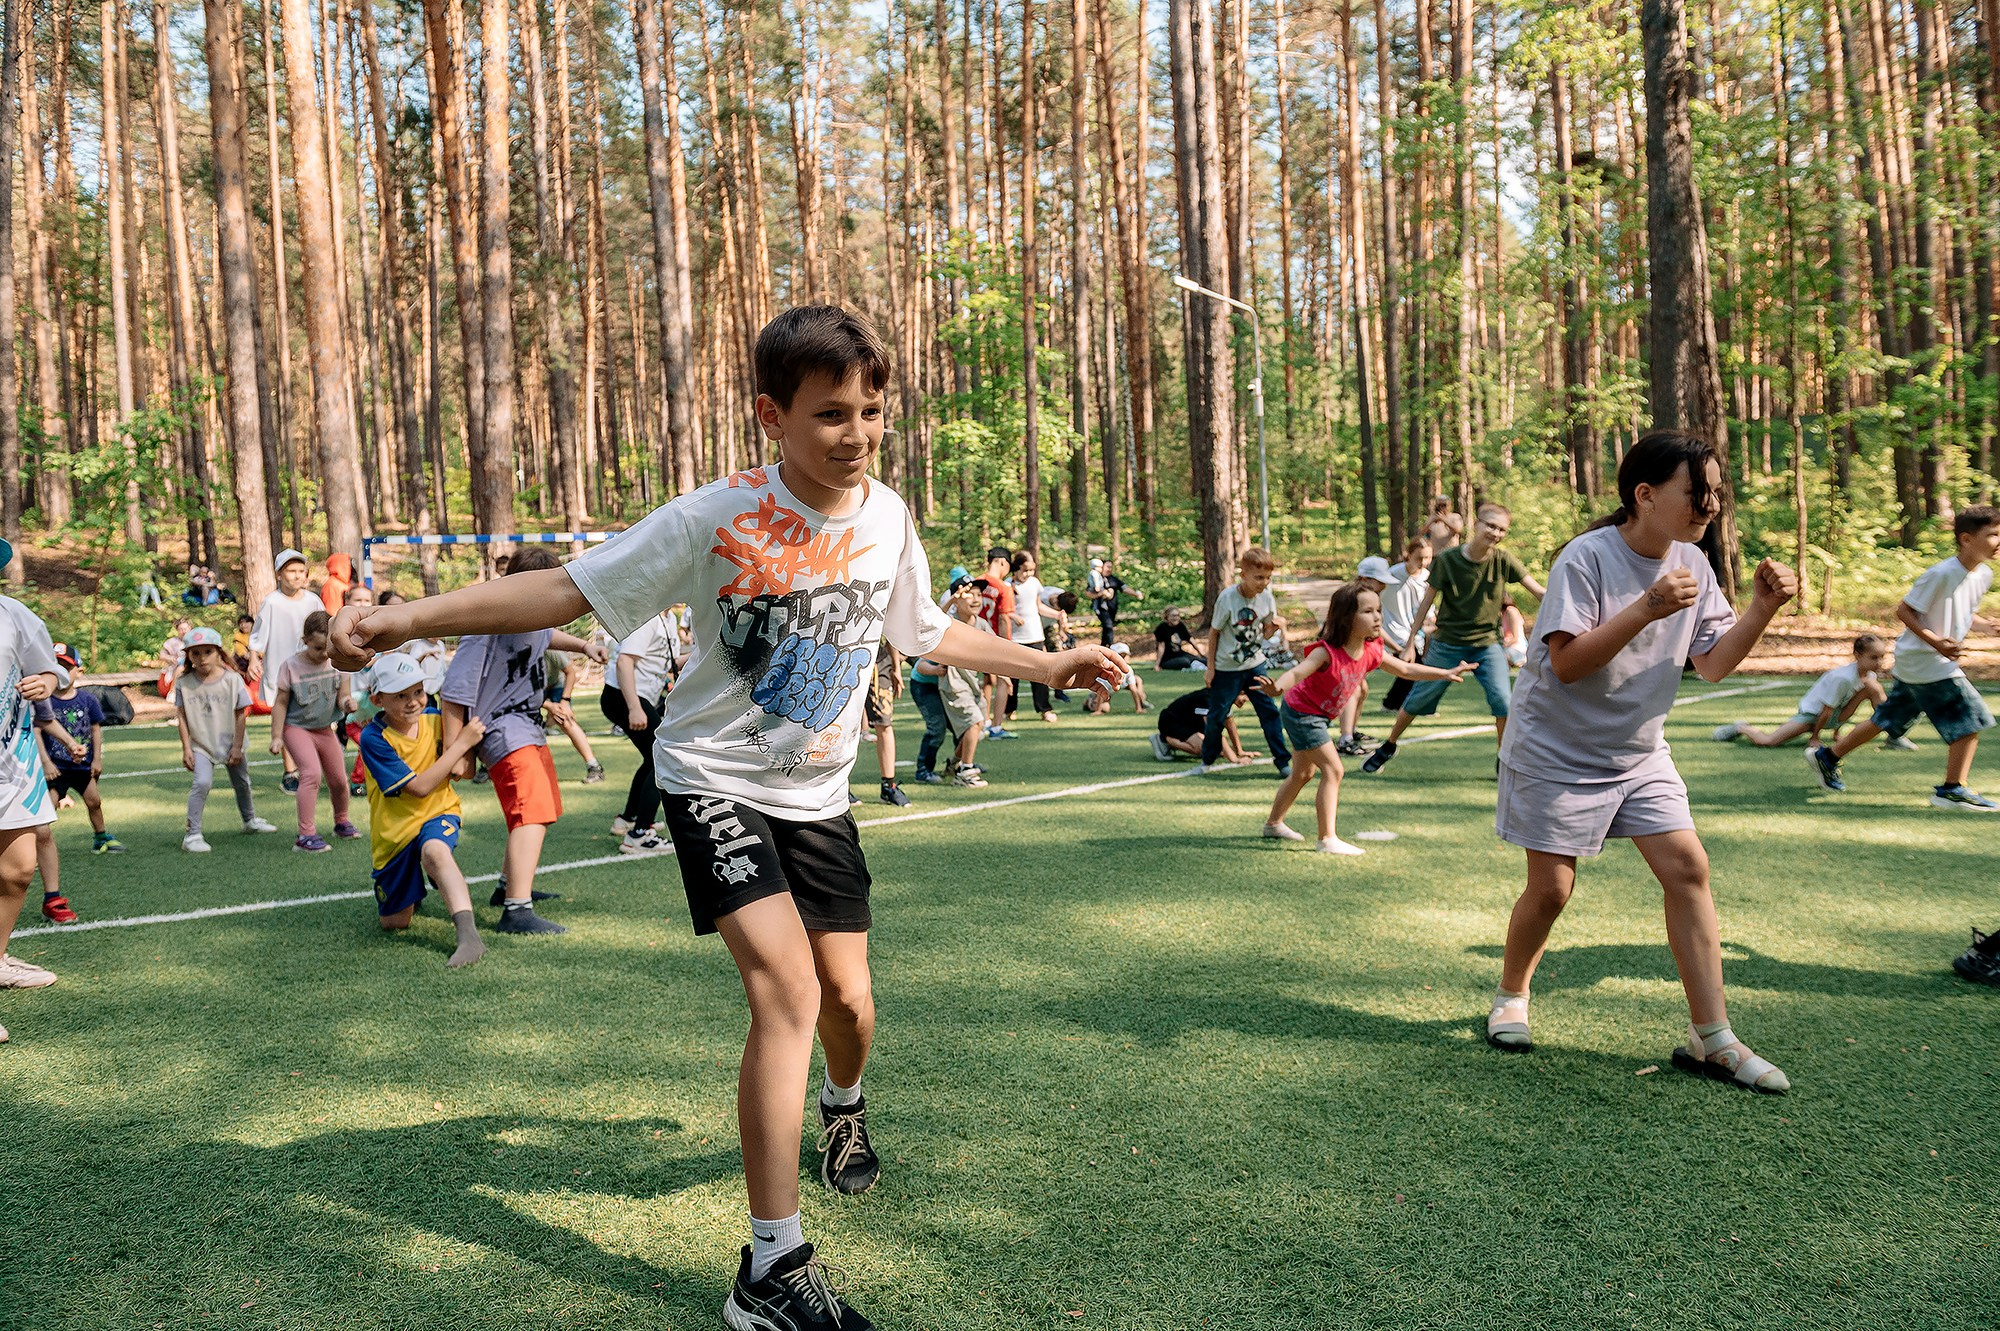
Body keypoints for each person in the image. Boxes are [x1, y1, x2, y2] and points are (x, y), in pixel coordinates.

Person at [329, 304, 1125, 1329]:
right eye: (831, 413)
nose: (858, 433)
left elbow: (922, 630)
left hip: (820, 794)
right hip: (710, 777)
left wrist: (1049, 658)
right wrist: (403, 615)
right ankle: (771, 1268)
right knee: (786, 991)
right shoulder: (712, 515)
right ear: (771, 415)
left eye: (872, 410)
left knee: (849, 1003)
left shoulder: (885, 513)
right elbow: (562, 591)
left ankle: (842, 1108)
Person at [1484, 430, 1799, 1094]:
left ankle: (1712, 1037)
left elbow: (1711, 663)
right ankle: (1511, 994)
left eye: (1717, 491)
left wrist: (1764, 608)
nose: (1710, 504)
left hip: (1637, 751)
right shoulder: (1587, 556)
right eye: (1697, 491)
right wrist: (1647, 607)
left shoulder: (1693, 560)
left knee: (1688, 866)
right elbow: (1567, 664)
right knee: (1552, 889)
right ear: (1646, 494)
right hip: (1555, 749)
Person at [438, 545, 606, 934]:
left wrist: (583, 646)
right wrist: (457, 751)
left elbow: (545, 636)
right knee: (530, 813)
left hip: (526, 726)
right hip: (500, 730)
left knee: (541, 810)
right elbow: (454, 690)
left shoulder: (532, 616)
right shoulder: (487, 625)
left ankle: (507, 888)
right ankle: (516, 909)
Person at [1256, 583, 1475, 854]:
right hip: (1302, 713)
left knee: (1303, 773)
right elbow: (1299, 672)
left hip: (1318, 715)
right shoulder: (1327, 652)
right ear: (1347, 617)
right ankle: (1327, 839)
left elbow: (1405, 668)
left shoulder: (1371, 650)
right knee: (1334, 770)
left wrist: (1443, 673)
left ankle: (1273, 823)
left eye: (1378, 610)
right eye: (1368, 611)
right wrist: (1278, 686)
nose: (1377, 617)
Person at [1808, 506, 2000, 810]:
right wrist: (1936, 643)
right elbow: (1905, 610)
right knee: (1970, 720)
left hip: (1924, 663)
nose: (1999, 541)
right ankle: (1951, 790)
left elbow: (1961, 612)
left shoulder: (1983, 575)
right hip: (1926, 661)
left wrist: (1985, 626)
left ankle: (1828, 757)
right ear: (1966, 539)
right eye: (1993, 535)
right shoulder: (1941, 573)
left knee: (1888, 717)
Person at [1362, 502, 1546, 774]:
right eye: (1490, 526)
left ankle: (1503, 758)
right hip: (1447, 644)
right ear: (1477, 525)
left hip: (1487, 644)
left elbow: (1539, 592)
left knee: (1503, 703)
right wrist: (1411, 642)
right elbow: (1427, 602)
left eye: (1502, 529)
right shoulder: (1448, 560)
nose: (1495, 533)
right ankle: (1389, 744)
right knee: (1416, 701)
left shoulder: (1503, 560)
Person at [356, 652, 490, 968]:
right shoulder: (373, 738)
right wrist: (460, 745)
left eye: (417, 691)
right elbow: (418, 788)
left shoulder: (436, 719)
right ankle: (418, 885)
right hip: (395, 833)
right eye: (400, 695)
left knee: (435, 852)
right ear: (377, 699)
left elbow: (464, 772)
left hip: (439, 811)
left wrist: (464, 752)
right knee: (395, 922)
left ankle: (469, 938)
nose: (413, 701)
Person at [0, 564, 69, 1024]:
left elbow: (51, 672)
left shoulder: (14, 615)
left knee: (19, 871)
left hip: (13, 764)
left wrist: (44, 682)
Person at [174, 627, 278, 852]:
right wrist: (186, 749)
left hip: (231, 742)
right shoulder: (184, 683)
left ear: (219, 653)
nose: (202, 658)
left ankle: (249, 820)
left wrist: (237, 746)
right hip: (201, 744)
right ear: (188, 656)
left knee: (242, 782)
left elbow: (241, 713)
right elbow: (181, 716)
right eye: (196, 653)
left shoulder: (232, 680)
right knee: (201, 783)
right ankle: (192, 835)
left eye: (207, 652)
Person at [269, 610, 358, 852]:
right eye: (318, 648)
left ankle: (342, 821)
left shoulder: (338, 662)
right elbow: (280, 703)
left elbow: (343, 698)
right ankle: (305, 835)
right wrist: (276, 736)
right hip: (296, 727)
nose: (324, 654)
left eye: (328, 648)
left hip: (323, 729)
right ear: (305, 639)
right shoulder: (291, 666)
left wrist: (348, 703)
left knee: (339, 779)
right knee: (311, 774)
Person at [1200, 547, 1292, 778]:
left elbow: (1267, 634)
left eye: (1268, 578)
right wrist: (1210, 668)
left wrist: (1276, 626)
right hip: (1226, 668)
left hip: (1255, 664)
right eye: (1259, 577)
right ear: (1243, 574)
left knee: (1269, 712)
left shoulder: (1267, 597)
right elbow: (1214, 632)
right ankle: (1208, 760)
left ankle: (1282, 762)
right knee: (1217, 716)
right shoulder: (1228, 598)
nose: (1264, 582)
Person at [1712, 634, 1894, 749]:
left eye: (1882, 658)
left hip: (1832, 716)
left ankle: (1893, 732)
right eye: (1873, 658)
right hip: (1811, 715)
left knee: (1871, 688)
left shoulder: (1869, 676)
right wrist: (1815, 738)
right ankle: (1741, 727)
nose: (1879, 663)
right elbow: (1827, 709)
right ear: (1858, 656)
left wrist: (1837, 734)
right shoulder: (1843, 678)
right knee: (1768, 741)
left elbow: (1844, 704)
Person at [602, 609, 679, 851]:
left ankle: (629, 819)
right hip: (626, 696)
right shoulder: (647, 616)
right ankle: (639, 836)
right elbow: (625, 662)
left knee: (652, 757)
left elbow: (667, 662)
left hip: (637, 696)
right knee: (663, 757)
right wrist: (635, 708)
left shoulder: (669, 618)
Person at [41, 645, 123, 858]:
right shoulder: (44, 701)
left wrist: (96, 759)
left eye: (65, 667)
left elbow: (95, 729)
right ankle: (37, 847)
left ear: (79, 670)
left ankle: (101, 837)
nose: (59, 672)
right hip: (55, 767)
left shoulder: (88, 700)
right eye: (54, 666)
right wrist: (45, 763)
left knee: (94, 801)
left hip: (81, 765)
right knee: (48, 809)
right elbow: (37, 731)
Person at [909, 575, 991, 787]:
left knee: (973, 726)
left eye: (978, 595)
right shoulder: (947, 624)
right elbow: (920, 662)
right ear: (955, 598)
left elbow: (997, 648)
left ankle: (955, 763)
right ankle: (926, 770)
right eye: (967, 594)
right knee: (939, 729)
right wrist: (936, 670)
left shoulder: (980, 624)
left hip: (959, 684)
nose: (975, 599)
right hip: (927, 682)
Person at [250, 549, 319, 789]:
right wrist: (253, 658)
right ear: (279, 574)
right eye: (291, 571)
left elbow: (322, 628)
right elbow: (258, 635)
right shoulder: (271, 602)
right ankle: (290, 772)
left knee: (310, 718)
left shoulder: (312, 601)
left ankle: (310, 766)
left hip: (309, 667)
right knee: (288, 720)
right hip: (280, 668)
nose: (297, 576)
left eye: (301, 571)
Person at [1334, 556, 1393, 755]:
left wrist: (1397, 647)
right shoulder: (1352, 599)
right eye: (1380, 581)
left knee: (1363, 690)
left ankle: (1351, 730)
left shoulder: (1369, 598)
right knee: (1353, 690)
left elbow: (1376, 629)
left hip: (1359, 652)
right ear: (1364, 579)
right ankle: (1345, 738)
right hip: (1344, 652)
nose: (1384, 586)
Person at [1378, 534, 1435, 716]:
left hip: (1415, 632)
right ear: (1408, 554)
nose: (1424, 562)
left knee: (1411, 668)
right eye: (1420, 558)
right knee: (1414, 667)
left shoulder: (1427, 578)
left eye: (1428, 558)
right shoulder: (1392, 575)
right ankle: (1399, 704)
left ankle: (1391, 704)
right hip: (1394, 631)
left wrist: (1431, 617)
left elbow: (1427, 605)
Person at [1004, 550, 1060, 724]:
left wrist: (1058, 614)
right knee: (1013, 676)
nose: (1029, 574)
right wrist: (1014, 617)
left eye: (1032, 570)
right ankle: (1009, 709)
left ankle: (1045, 709)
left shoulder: (1034, 583)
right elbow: (1005, 611)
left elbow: (1038, 607)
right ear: (1017, 568)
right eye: (1026, 570)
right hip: (1015, 637)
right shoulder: (1007, 585)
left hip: (1035, 635)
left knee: (1040, 674)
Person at [542, 646, 608, 784]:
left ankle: (594, 766)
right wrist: (548, 706)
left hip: (555, 684)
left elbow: (570, 672)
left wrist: (564, 701)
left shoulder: (549, 647)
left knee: (564, 719)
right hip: (531, 690)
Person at [972, 546, 1018, 738]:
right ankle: (997, 726)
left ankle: (982, 721)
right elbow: (1003, 618)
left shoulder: (976, 582)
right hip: (994, 639)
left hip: (974, 638)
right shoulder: (1002, 588)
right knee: (1002, 680)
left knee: (984, 680)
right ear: (1002, 562)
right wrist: (1006, 644)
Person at [862, 641, 912, 805]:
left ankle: (889, 785)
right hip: (850, 652)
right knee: (843, 721)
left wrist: (896, 666)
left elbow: (891, 631)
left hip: (879, 659)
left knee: (884, 722)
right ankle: (839, 788)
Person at [1151, 689, 1256, 764]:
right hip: (1172, 722)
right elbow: (1213, 729)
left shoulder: (1225, 699)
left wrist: (1239, 751)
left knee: (1215, 749)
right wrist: (1234, 759)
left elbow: (1230, 725)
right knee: (1202, 749)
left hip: (1191, 723)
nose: (1245, 699)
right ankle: (1163, 739)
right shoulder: (1209, 699)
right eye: (1242, 694)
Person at [1091, 556, 1143, 647]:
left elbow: (1124, 588)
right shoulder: (1096, 578)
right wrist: (1102, 594)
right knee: (1108, 626)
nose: (1109, 569)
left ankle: (1104, 647)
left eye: (1111, 567)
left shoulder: (1113, 579)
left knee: (1107, 628)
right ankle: (1110, 647)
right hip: (1101, 608)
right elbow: (1088, 592)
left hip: (1112, 609)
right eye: (1107, 567)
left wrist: (1136, 594)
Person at [1082, 642, 1149, 714]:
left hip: (1109, 692)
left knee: (1138, 679)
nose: (1123, 659)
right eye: (1120, 656)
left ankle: (1142, 701)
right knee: (1105, 708)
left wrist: (1138, 708)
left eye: (1125, 656)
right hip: (1099, 693)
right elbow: (1101, 691)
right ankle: (1088, 702)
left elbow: (1133, 689)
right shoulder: (1108, 670)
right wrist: (1098, 711)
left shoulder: (1129, 670)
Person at [1153, 606, 1206, 672]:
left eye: (1178, 615)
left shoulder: (1180, 626)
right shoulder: (1161, 628)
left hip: (1180, 654)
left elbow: (1191, 640)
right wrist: (1157, 665)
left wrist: (1201, 654)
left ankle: (1195, 665)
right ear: (1167, 617)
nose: (1176, 618)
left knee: (1204, 661)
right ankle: (1193, 666)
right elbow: (1161, 646)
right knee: (1185, 661)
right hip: (1167, 659)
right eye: (1173, 616)